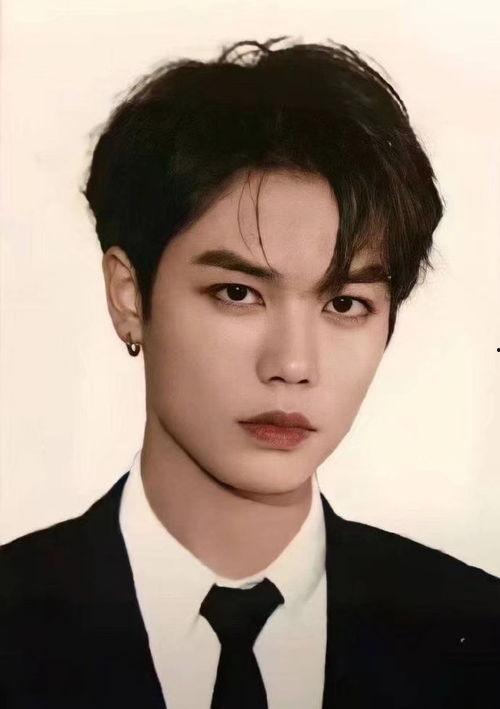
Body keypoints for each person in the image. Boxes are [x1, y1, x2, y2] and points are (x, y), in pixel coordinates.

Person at [1, 37, 499, 709]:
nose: (293, 365)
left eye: (345, 304)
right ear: (129, 296)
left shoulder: (480, 638)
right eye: (238, 293)